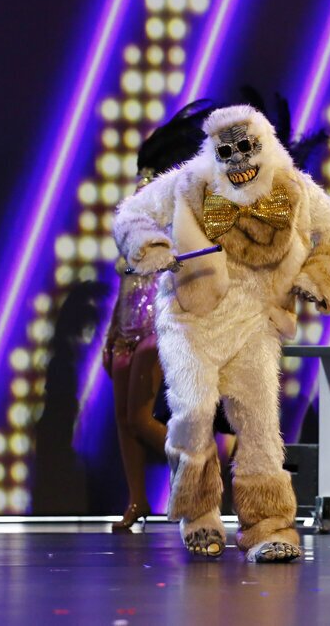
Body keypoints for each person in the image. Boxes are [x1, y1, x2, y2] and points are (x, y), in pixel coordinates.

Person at [113, 104, 330, 562]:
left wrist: (317, 278)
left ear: (263, 147)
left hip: (254, 319)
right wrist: (153, 244)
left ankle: (269, 526)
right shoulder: (190, 182)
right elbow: (130, 214)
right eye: (228, 151)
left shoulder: (294, 188)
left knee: (261, 425)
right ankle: (199, 513)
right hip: (192, 315)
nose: (239, 161)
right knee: (193, 411)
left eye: (247, 148)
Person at [103, 101, 213, 531]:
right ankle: (136, 503)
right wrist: (112, 331)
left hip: (156, 322)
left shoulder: (175, 206)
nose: (142, 183)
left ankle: (202, 467)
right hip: (126, 324)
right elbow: (124, 275)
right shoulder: (136, 208)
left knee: (138, 418)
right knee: (123, 421)